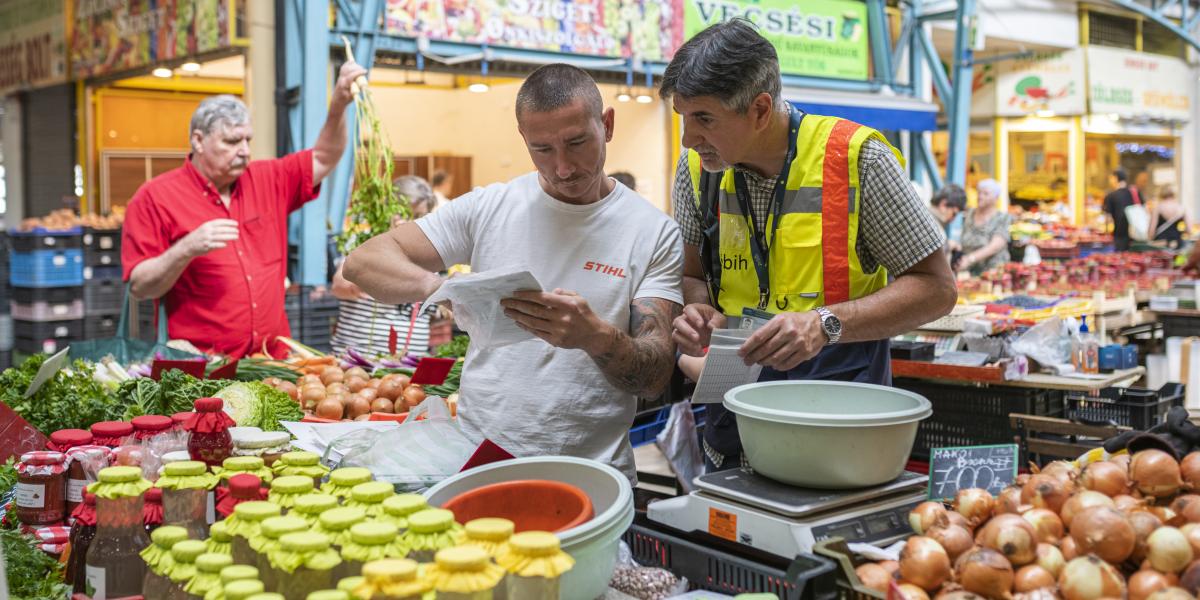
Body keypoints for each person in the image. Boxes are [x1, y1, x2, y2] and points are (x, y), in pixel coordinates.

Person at [343, 64, 684, 480]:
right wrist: (445, 289)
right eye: (542, 149)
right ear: (523, 138)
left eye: (577, 142)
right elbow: (363, 263)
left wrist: (595, 337)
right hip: (479, 457)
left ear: (607, 125)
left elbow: (654, 375)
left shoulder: (652, 231)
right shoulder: (491, 207)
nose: (562, 167)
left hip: (592, 472)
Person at [663, 19, 956, 471]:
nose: (688, 137)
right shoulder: (697, 169)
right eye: (684, 117)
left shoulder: (858, 159)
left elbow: (937, 289)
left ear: (760, 110)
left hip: (838, 406)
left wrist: (825, 324)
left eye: (704, 119)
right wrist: (698, 309)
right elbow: (691, 274)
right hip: (732, 397)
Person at [121, 61, 368, 358]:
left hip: (271, 363)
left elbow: (325, 157)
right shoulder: (154, 198)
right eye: (232, 141)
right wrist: (186, 248)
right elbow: (140, 286)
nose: (245, 151)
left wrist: (339, 104)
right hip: (203, 370)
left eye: (248, 140)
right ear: (198, 141)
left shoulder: (267, 178)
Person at [330, 176, 441, 356]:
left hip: (409, 367)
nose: (410, 222)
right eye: (404, 213)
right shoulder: (366, 240)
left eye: (419, 217)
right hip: (359, 364)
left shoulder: (429, 252)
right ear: (388, 209)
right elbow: (339, 286)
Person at [956, 179, 1012, 276]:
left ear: (996, 198)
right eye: (979, 192)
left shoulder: (1002, 218)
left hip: (993, 271)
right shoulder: (969, 214)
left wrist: (970, 258)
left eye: (986, 194)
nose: (980, 196)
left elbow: (995, 246)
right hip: (969, 271)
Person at [1104, 168, 1142, 252]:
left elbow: (1108, 219)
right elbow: (1144, 209)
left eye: (1111, 178)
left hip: (1119, 236)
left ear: (1115, 178)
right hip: (1137, 235)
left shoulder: (1110, 196)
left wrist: (1106, 233)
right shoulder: (1135, 192)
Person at [930, 184, 967, 255]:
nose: (953, 220)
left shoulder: (929, 218)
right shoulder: (931, 223)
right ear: (943, 205)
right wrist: (948, 246)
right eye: (954, 213)